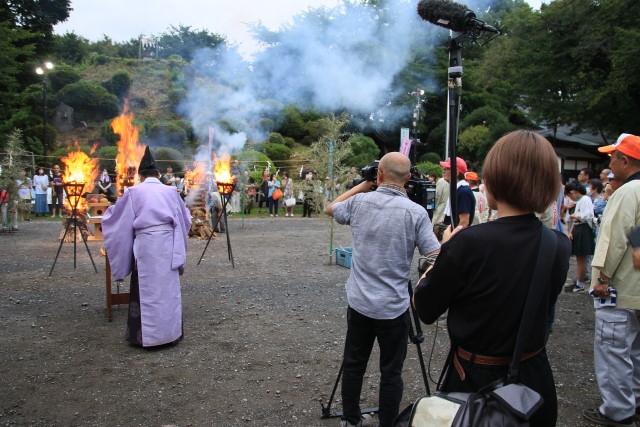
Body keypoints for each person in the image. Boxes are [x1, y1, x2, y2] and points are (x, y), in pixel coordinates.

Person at [413, 130, 571, 427]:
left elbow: (425, 308)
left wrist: (442, 254)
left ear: (494, 180)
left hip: (475, 381)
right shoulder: (559, 244)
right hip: (534, 383)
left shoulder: (469, 242)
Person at [326, 152, 440, 427]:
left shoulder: (360, 202)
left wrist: (365, 185)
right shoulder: (416, 212)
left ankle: (351, 420)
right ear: (409, 178)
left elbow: (332, 207)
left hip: (360, 302)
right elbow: (435, 255)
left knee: (354, 363)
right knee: (391, 371)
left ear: (378, 175)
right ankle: (388, 423)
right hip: (394, 306)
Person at [102, 147, 191, 348]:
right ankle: (170, 334)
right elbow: (184, 219)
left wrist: (109, 213)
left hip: (146, 245)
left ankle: (144, 337)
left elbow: (120, 220)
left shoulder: (134, 192)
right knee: (167, 290)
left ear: (140, 176)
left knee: (146, 287)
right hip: (168, 243)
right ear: (158, 175)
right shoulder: (170, 191)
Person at [583, 133, 640, 426]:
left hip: (620, 284)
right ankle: (635, 400)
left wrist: (603, 277)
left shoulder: (628, 192)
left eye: (613, 157)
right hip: (637, 285)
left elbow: (617, 238)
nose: (610, 162)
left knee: (614, 348)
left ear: (625, 160)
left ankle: (618, 411)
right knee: (635, 349)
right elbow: (636, 235)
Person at [564, 182, 595, 293]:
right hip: (578, 228)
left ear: (572, 192)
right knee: (579, 258)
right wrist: (571, 231)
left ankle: (580, 283)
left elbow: (588, 215)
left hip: (583, 228)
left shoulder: (585, 199)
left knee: (581, 258)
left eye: (569, 195)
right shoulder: (581, 200)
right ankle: (579, 281)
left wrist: (575, 216)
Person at [440, 157, 475, 227]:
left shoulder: (463, 191)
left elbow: (464, 222)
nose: (444, 171)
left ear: (456, 173)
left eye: (447, 169)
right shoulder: (458, 189)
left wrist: (452, 237)